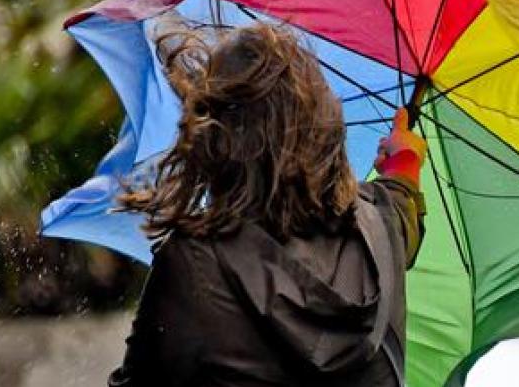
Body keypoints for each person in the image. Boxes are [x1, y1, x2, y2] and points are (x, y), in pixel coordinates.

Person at [108, 24, 427, 387]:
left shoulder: (194, 264)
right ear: (326, 129)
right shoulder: (381, 226)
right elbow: (401, 199)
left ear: (215, 140)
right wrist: (405, 161)